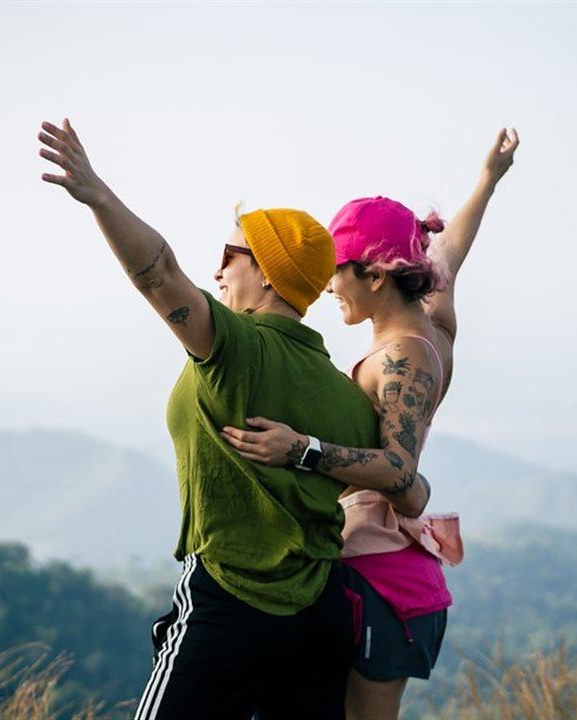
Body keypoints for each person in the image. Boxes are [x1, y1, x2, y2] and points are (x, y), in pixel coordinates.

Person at [38, 117, 381, 720]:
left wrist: (98, 196)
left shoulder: (235, 348)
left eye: (229, 255)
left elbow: (160, 274)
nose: (217, 271)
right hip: (320, 612)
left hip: (231, 603)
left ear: (268, 273)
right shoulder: (349, 396)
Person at [220, 128, 520, 720]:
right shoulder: (433, 320)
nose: (329, 286)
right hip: (384, 568)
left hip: (382, 576)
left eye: (338, 271)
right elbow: (448, 252)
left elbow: (400, 470)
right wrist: (488, 180)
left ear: (377, 275)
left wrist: (300, 449)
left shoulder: (403, 356)